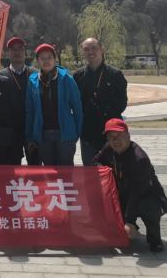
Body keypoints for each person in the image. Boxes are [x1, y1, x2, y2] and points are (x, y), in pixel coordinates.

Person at [95, 118, 167, 252]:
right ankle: (127, 229)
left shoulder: (139, 159)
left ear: (128, 135)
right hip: (123, 194)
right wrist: (104, 171)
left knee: (148, 207)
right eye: (111, 137)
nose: (116, 140)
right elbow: (96, 162)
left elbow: (137, 192)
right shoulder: (109, 148)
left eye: (119, 136)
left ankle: (154, 239)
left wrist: (130, 221)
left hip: (147, 195)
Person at [25, 43, 83, 166]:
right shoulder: (32, 81)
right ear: (37, 60)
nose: (46, 61)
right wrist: (29, 135)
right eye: (42, 58)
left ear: (55, 59)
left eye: (49, 57)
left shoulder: (67, 79)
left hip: (65, 135)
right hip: (43, 135)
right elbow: (30, 111)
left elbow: (77, 108)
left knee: (66, 171)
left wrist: (76, 133)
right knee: (49, 172)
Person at [74, 38, 128, 166]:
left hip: (112, 133)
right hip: (87, 133)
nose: (90, 52)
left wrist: (104, 111)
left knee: (113, 170)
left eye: (94, 48)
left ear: (102, 50)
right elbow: (74, 104)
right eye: (86, 49)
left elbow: (122, 103)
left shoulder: (115, 74)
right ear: (82, 52)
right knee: (90, 171)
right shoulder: (77, 76)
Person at [0, 37, 39, 164]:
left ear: (25, 52)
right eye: (13, 49)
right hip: (11, 130)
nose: (17, 52)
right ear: (8, 53)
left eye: (20, 49)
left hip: (32, 128)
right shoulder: (0, 76)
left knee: (35, 166)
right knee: (12, 167)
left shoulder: (36, 74)